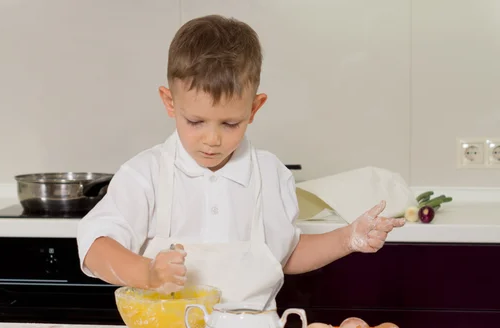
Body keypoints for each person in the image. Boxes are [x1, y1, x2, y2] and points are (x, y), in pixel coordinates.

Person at [76, 15, 405, 307]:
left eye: (230, 124)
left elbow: (284, 255)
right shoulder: (144, 175)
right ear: (169, 102)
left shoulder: (270, 175)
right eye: (196, 122)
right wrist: (148, 272)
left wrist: (346, 238)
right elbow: (95, 247)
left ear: (254, 108)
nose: (212, 139)